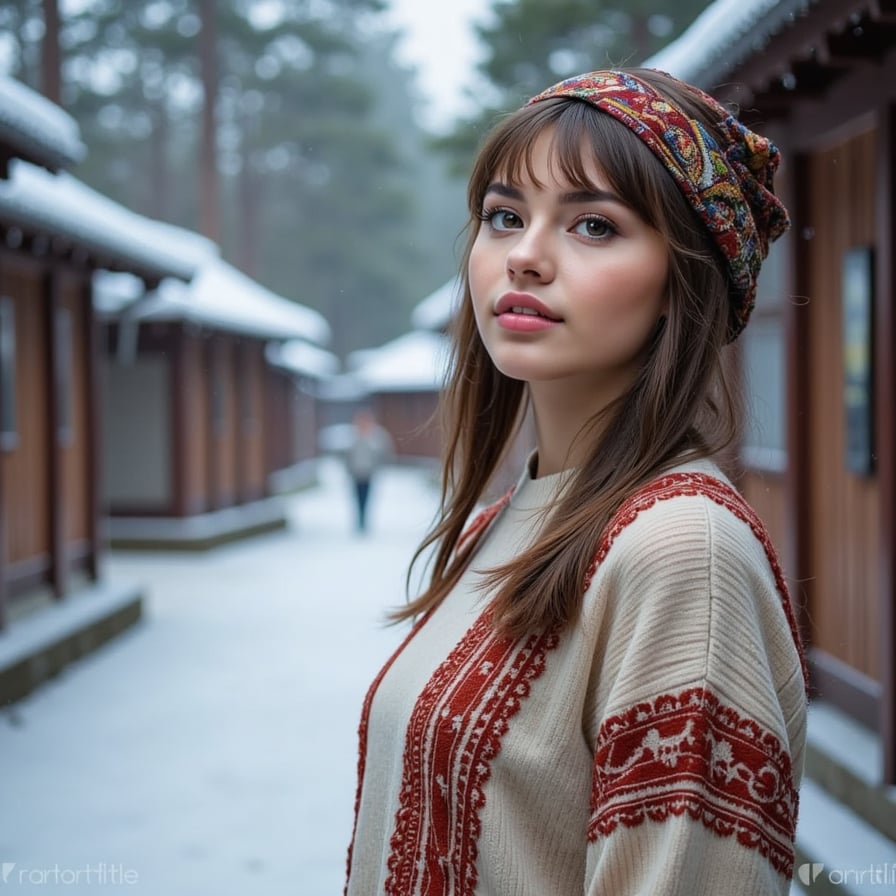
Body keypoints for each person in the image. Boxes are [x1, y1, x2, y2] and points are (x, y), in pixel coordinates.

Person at [344, 68, 808, 895]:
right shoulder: (504, 518)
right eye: (504, 216)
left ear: (683, 281)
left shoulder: (679, 552)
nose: (524, 254)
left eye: (594, 224)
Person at [344, 407, 393, 532]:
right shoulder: (352, 436)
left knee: (367, 497)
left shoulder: (377, 436)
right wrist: (348, 469)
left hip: (369, 473)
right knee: (357, 497)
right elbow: (346, 455)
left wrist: (379, 468)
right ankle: (360, 519)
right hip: (356, 474)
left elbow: (384, 454)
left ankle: (364, 520)